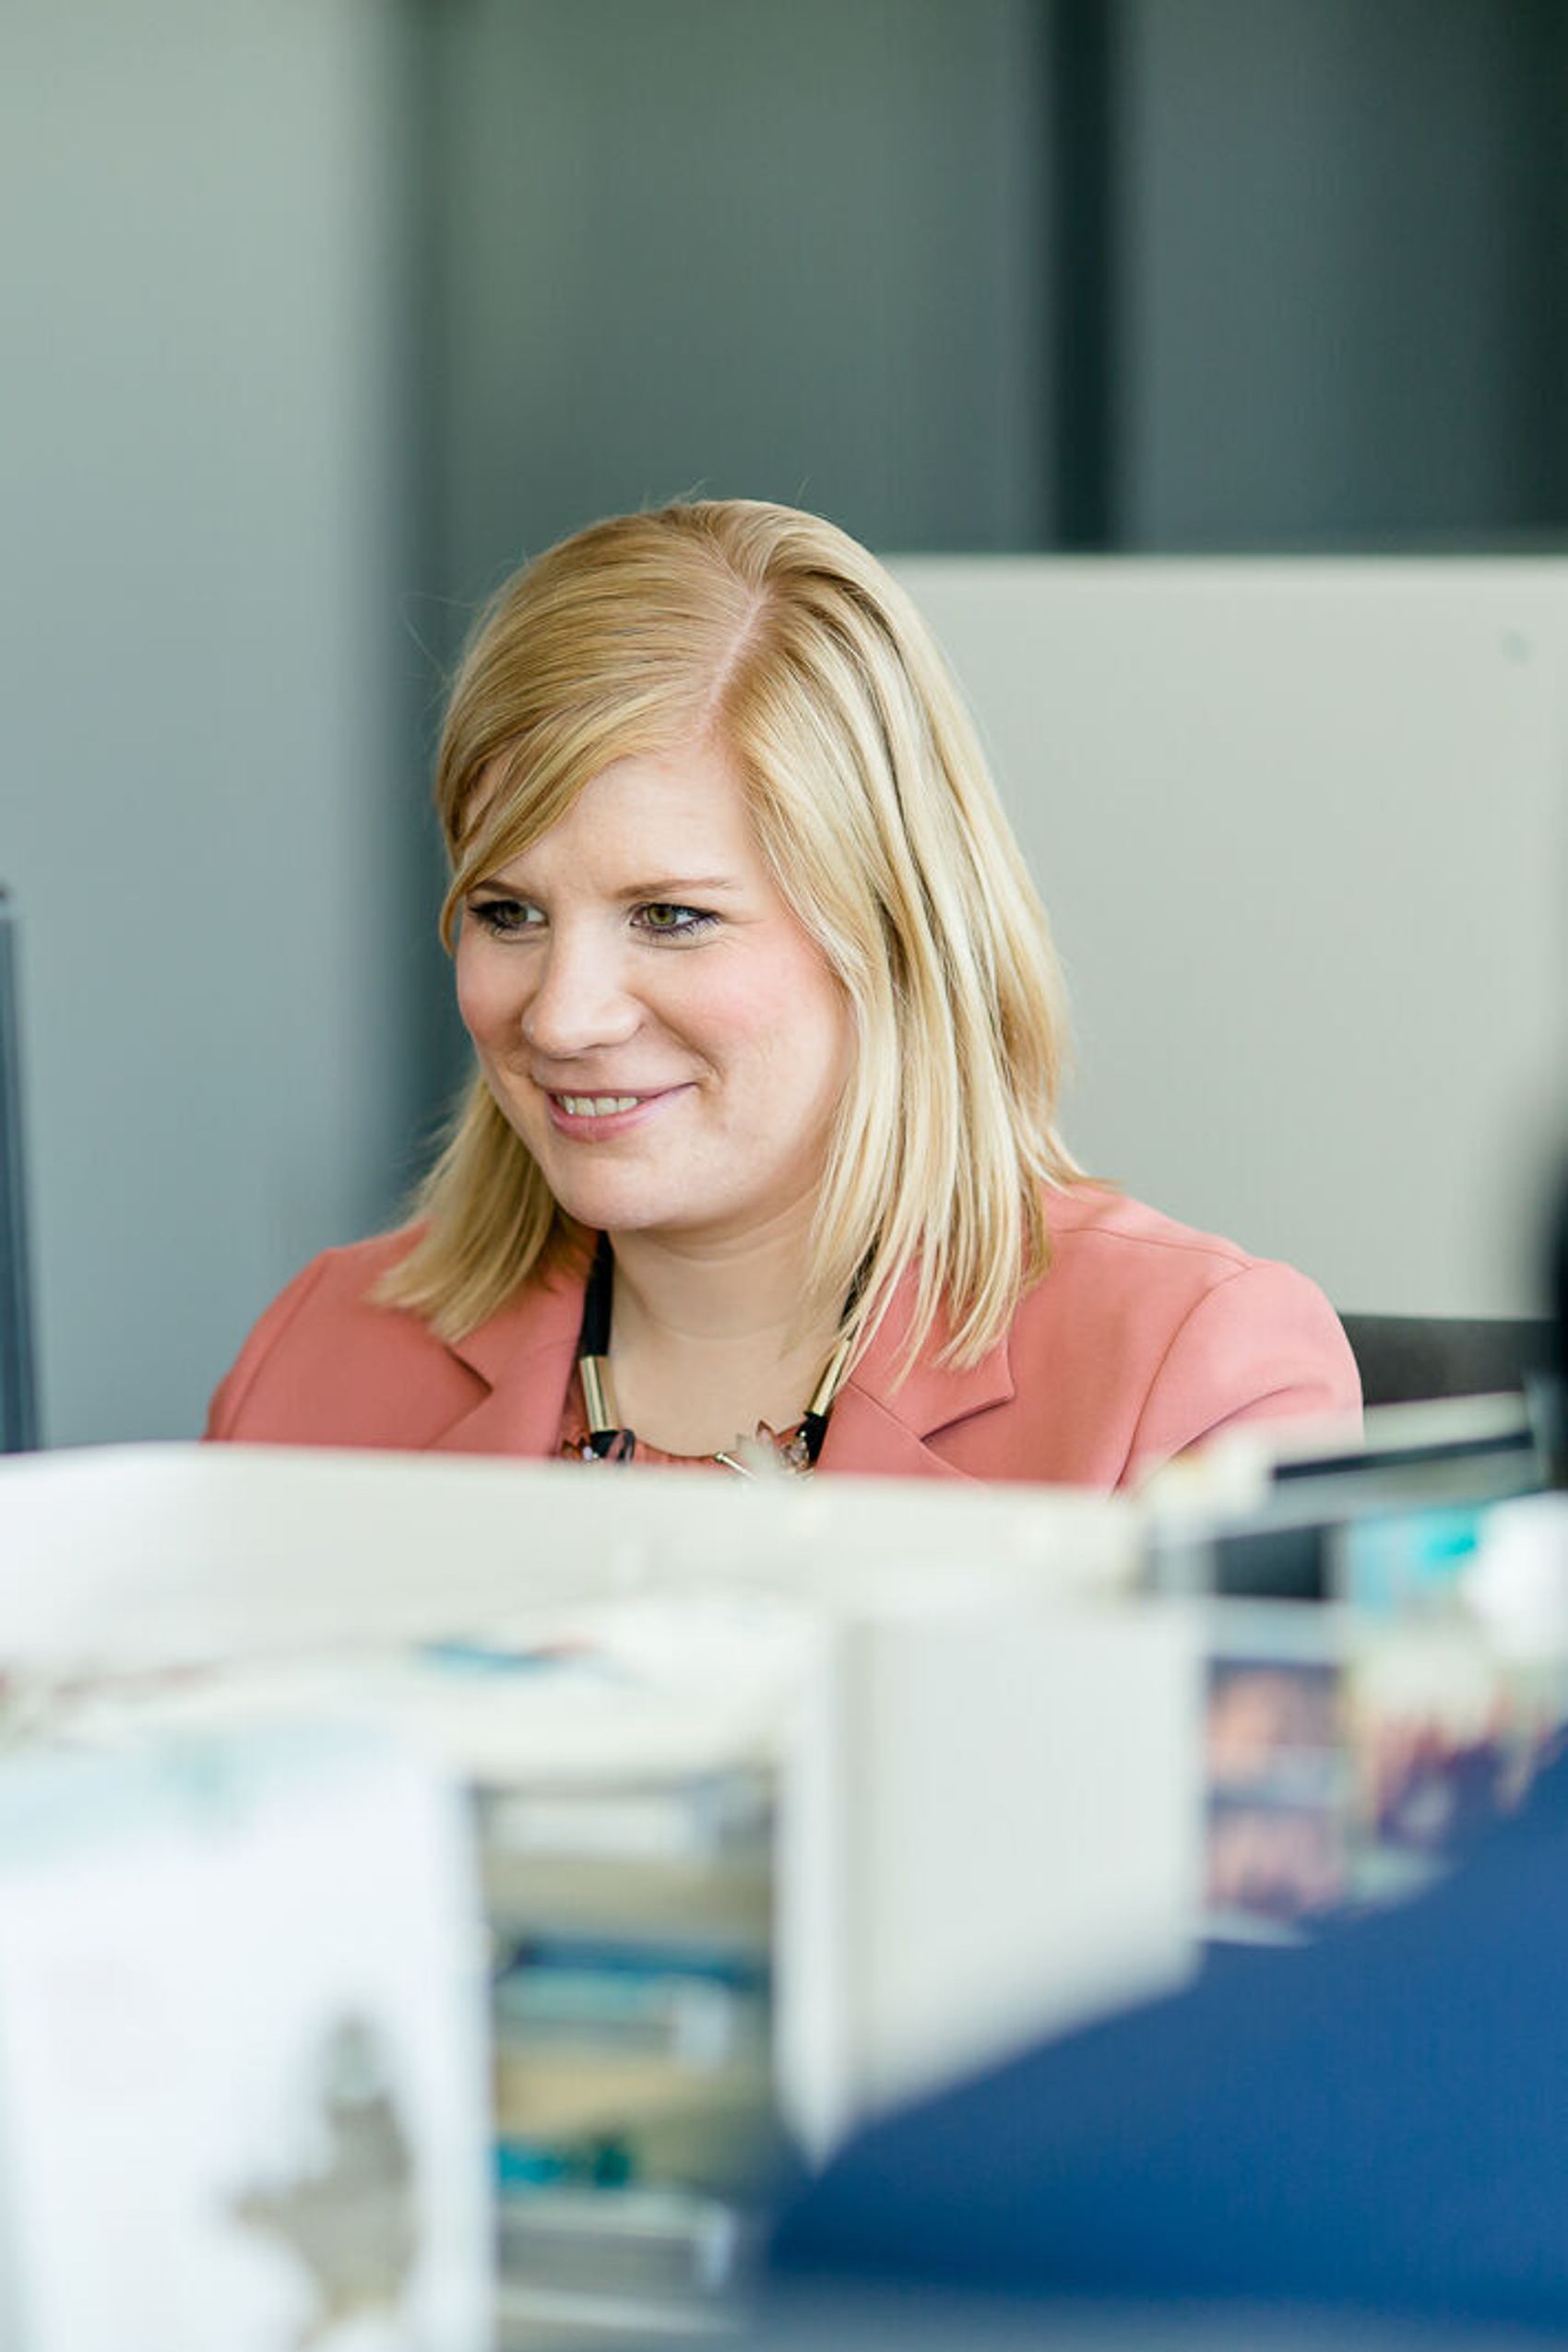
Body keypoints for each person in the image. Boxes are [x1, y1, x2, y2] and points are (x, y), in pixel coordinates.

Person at [208, 500, 1358, 1485]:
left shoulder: (1186, 1375)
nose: (562, 1016)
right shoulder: (320, 1354)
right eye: (510, 913)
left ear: (892, 933)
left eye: (670, 917)